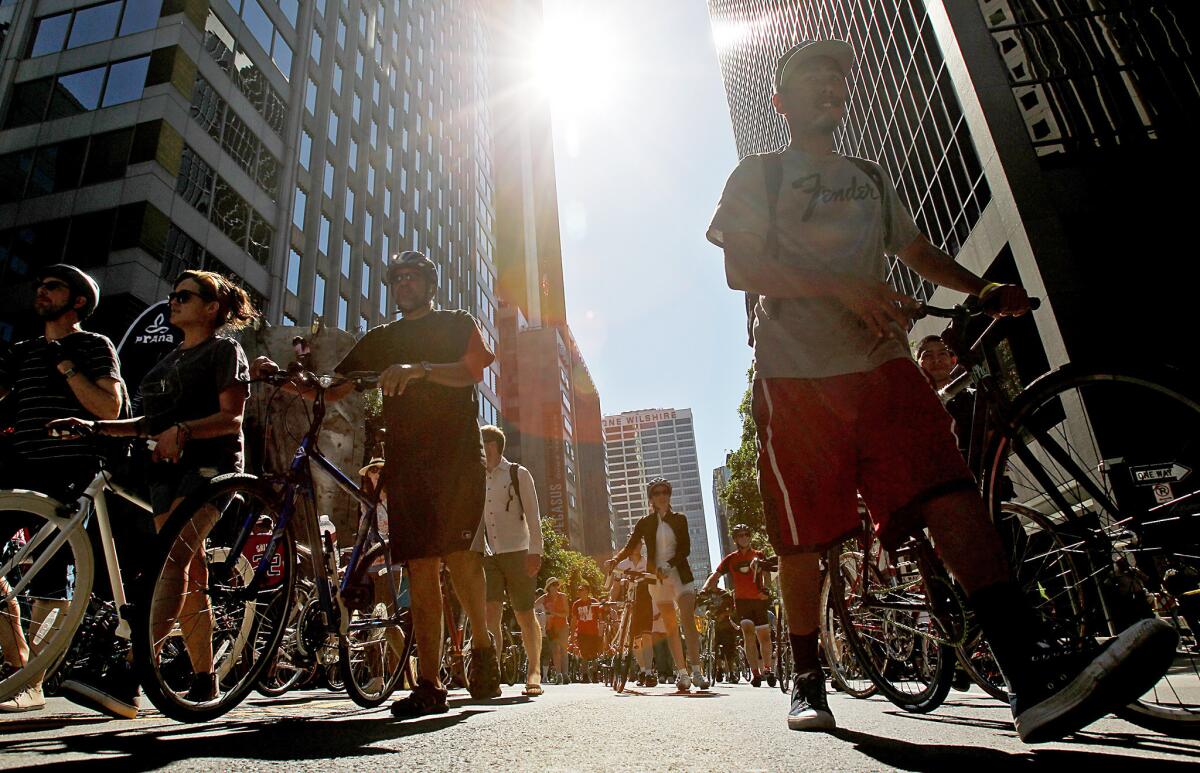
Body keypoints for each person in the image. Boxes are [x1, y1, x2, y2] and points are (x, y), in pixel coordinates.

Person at [707, 38, 1177, 739]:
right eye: (811, 77)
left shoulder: (869, 174)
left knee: (950, 492)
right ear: (780, 102)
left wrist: (980, 287)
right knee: (802, 539)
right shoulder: (761, 174)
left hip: (884, 366)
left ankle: (1028, 678)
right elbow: (741, 265)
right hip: (796, 375)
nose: (829, 84)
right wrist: (842, 285)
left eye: (838, 76)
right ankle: (807, 679)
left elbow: (917, 250)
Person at [253, 250, 499, 716]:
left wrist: (419, 369)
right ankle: (430, 685)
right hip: (404, 463)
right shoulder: (382, 338)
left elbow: (472, 369)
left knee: (462, 560)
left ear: (430, 284)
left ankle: (482, 647)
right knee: (422, 567)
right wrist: (288, 380)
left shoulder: (454, 321)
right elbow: (336, 385)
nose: (404, 284)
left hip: (457, 460)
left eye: (413, 277)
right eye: (397, 279)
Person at [51, 269, 258, 714]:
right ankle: (206, 681)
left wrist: (183, 429)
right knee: (190, 571)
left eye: (186, 296)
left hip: (210, 470)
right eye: (173, 295)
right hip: (164, 473)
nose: (174, 301)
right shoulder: (166, 363)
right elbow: (146, 423)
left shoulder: (225, 350)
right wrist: (95, 426)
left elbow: (232, 419)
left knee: (172, 560)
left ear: (212, 308)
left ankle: (133, 673)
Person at [0, 265, 124, 715]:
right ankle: (21, 665)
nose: (41, 290)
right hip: (16, 465)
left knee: (49, 576)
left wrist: (68, 366)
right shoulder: (20, 351)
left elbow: (109, 408)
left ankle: (29, 684)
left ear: (77, 301)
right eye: (40, 283)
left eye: (52, 286)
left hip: (69, 469)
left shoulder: (94, 345)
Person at [606, 478, 709, 691]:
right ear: (651, 498)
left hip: (679, 573)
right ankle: (682, 674)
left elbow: (685, 549)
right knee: (671, 626)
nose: (661, 496)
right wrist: (614, 561)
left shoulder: (680, 519)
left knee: (687, 620)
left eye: (665, 492)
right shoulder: (645, 522)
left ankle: (697, 670)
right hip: (657, 578)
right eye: (656, 493)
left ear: (669, 495)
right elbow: (630, 545)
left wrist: (669, 565)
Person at [472, 424, 544, 696]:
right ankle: (493, 671)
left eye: (482, 445)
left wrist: (536, 550)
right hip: (489, 555)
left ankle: (534, 671)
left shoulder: (517, 473)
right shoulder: (478, 477)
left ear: (493, 446)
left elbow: (534, 515)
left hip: (519, 552)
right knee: (490, 613)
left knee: (524, 613)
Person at [701, 524, 773, 686]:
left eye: (746, 534)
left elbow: (767, 574)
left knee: (764, 636)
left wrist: (766, 591)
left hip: (759, 601)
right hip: (742, 602)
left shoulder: (759, 555)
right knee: (748, 633)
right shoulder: (731, 559)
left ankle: (767, 669)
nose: (744, 538)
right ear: (735, 539)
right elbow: (716, 574)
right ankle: (755, 673)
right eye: (740, 535)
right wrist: (705, 588)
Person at [536, 578, 569, 684]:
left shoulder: (562, 596)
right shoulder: (544, 598)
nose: (555, 586)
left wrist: (553, 613)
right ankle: (559, 674)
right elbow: (533, 605)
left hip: (562, 626)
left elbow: (566, 613)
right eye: (553, 585)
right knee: (555, 651)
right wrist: (542, 613)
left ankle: (565, 674)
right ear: (549, 587)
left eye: (556, 584)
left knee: (563, 650)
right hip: (550, 627)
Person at [569, 583, 603, 683]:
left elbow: (600, 618)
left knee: (594, 655)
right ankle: (584, 675)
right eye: (579, 590)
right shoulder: (576, 604)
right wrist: (572, 634)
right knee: (583, 654)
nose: (579, 592)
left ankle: (595, 674)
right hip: (582, 632)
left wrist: (601, 633)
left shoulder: (594, 602)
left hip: (593, 633)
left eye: (581, 589)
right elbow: (574, 620)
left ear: (587, 591)